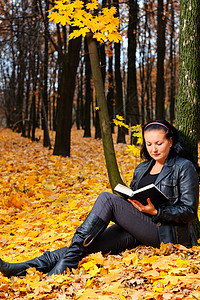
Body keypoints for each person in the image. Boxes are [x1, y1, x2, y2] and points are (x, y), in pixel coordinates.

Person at [0, 120, 199, 278]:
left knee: (107, 199)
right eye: (148, 144)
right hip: (139, 225)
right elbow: (135, 195)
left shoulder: (183, 166)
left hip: (165, 232)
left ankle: (63, 266)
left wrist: (157, 211)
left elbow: (189, 211)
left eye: (159, 143)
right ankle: (23, 268)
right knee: (88, 244)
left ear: (170, 141)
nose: (153, 149)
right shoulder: (142, 168)